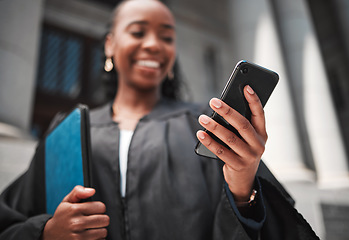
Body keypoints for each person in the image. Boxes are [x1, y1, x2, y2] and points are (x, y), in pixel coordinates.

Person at [0, 0, 319, 239]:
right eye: (138, 32)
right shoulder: (65, 132)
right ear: (110, 44)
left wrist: (242, 186)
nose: (154, 44)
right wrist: (44, 232)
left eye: (166, 37)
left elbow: (275, 228)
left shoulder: (204, 127)